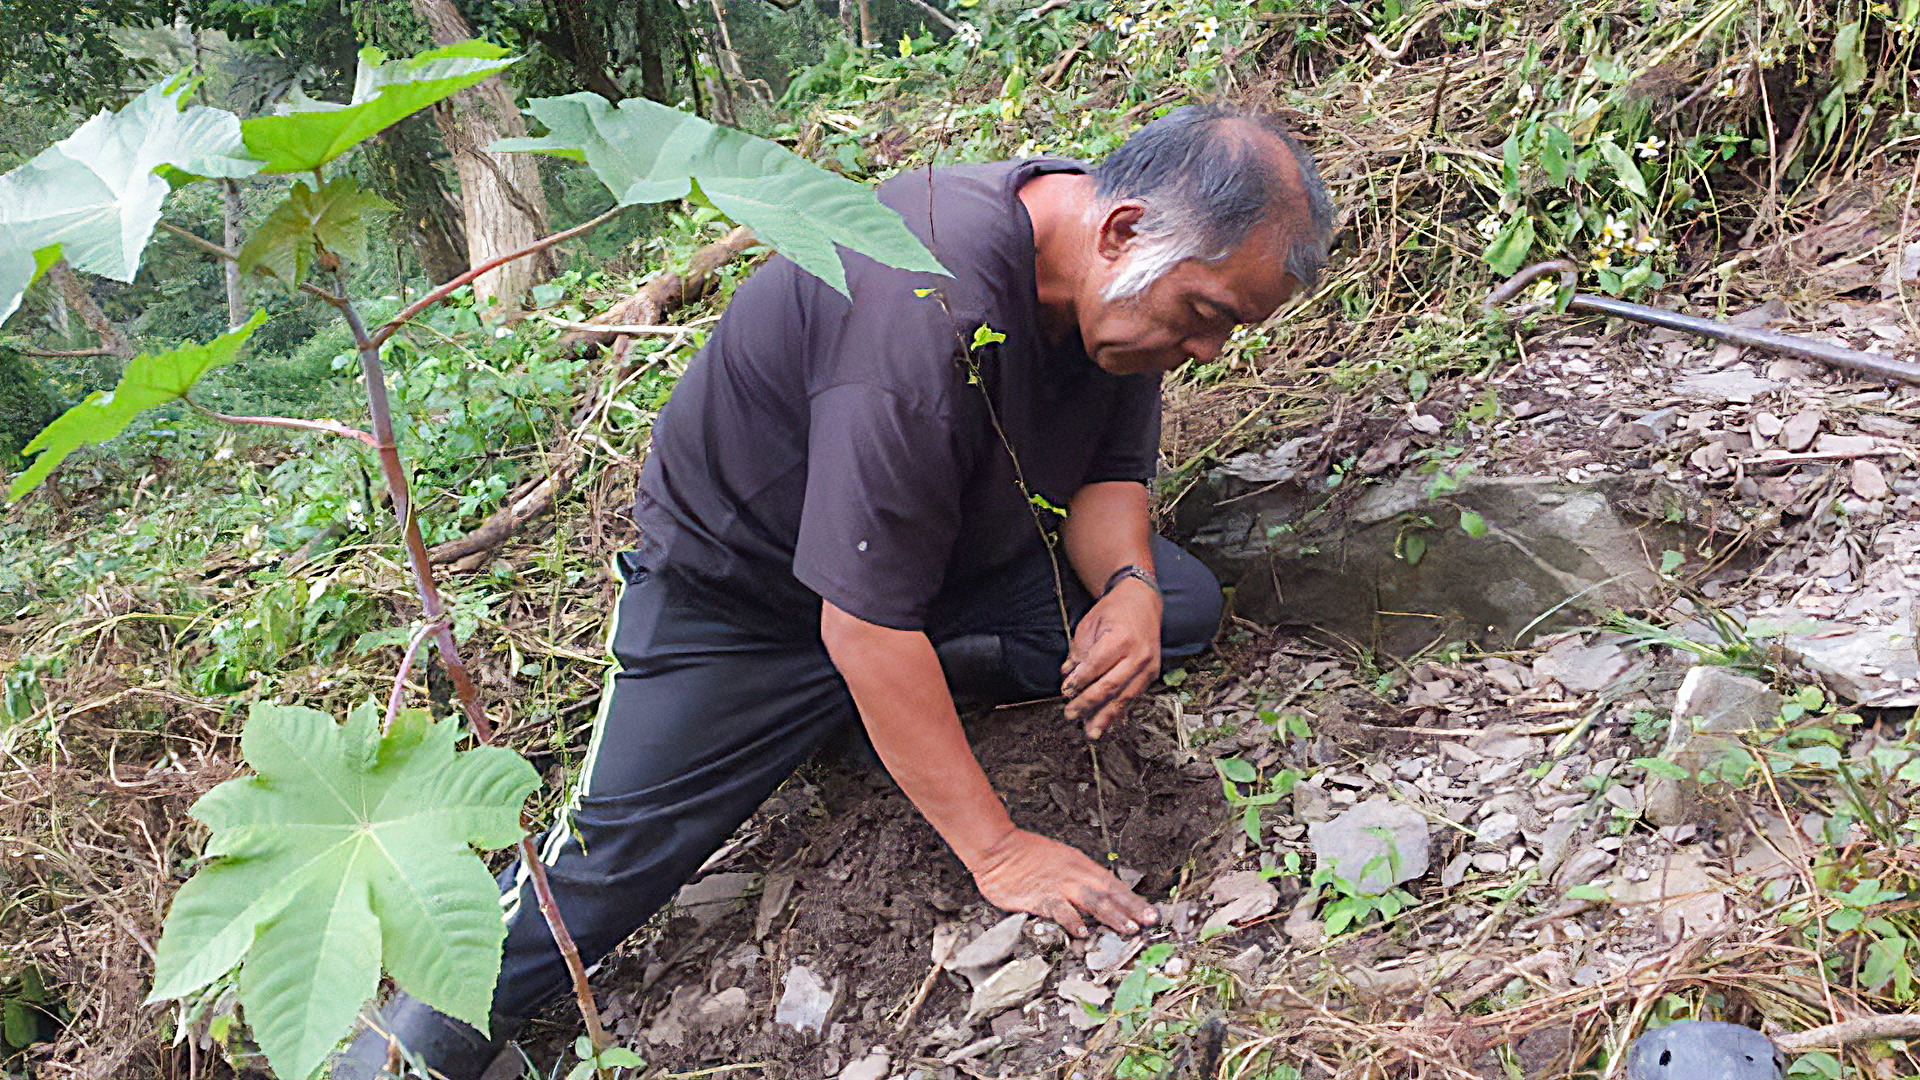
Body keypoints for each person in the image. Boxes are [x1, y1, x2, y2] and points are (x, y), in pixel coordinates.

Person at [335, 103, 1334, 1080]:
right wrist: (998, 851)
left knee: (1179, 607)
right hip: (740, 609)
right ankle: (388, 1057)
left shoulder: (1114, 280)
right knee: (605, 870)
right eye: (1207, 317)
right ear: (1123, 231)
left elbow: (1109, 473)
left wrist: (1129, 583)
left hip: (941, 570)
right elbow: (863, 623)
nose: (1208, 352)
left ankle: (868, 712)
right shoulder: (925, 307)